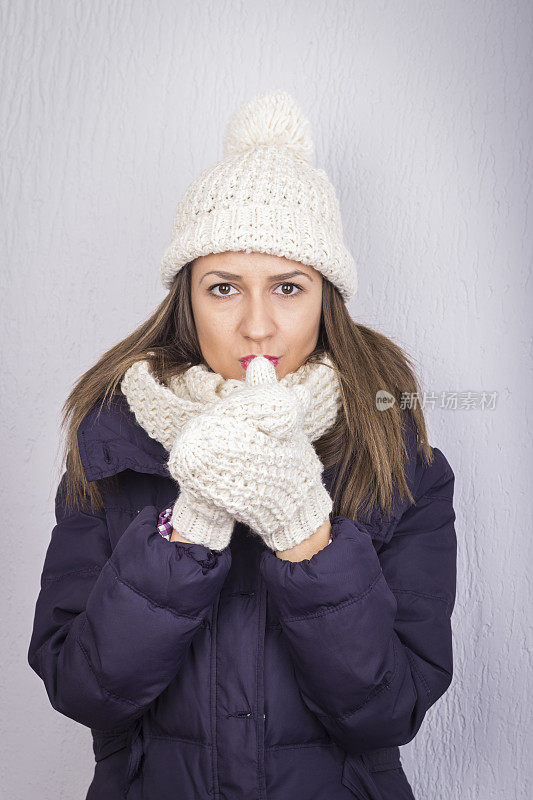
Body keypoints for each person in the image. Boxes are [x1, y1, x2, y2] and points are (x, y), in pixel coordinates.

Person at [27, 89, 457, 800]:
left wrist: (301, 527)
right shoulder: (111, 443)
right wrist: (189, 523)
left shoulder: (396, 458)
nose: (257, 327)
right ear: (186, 299)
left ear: (327, 297)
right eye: (223, 288)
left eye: (287, 287)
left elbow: (387, 711)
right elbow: (84, 691)